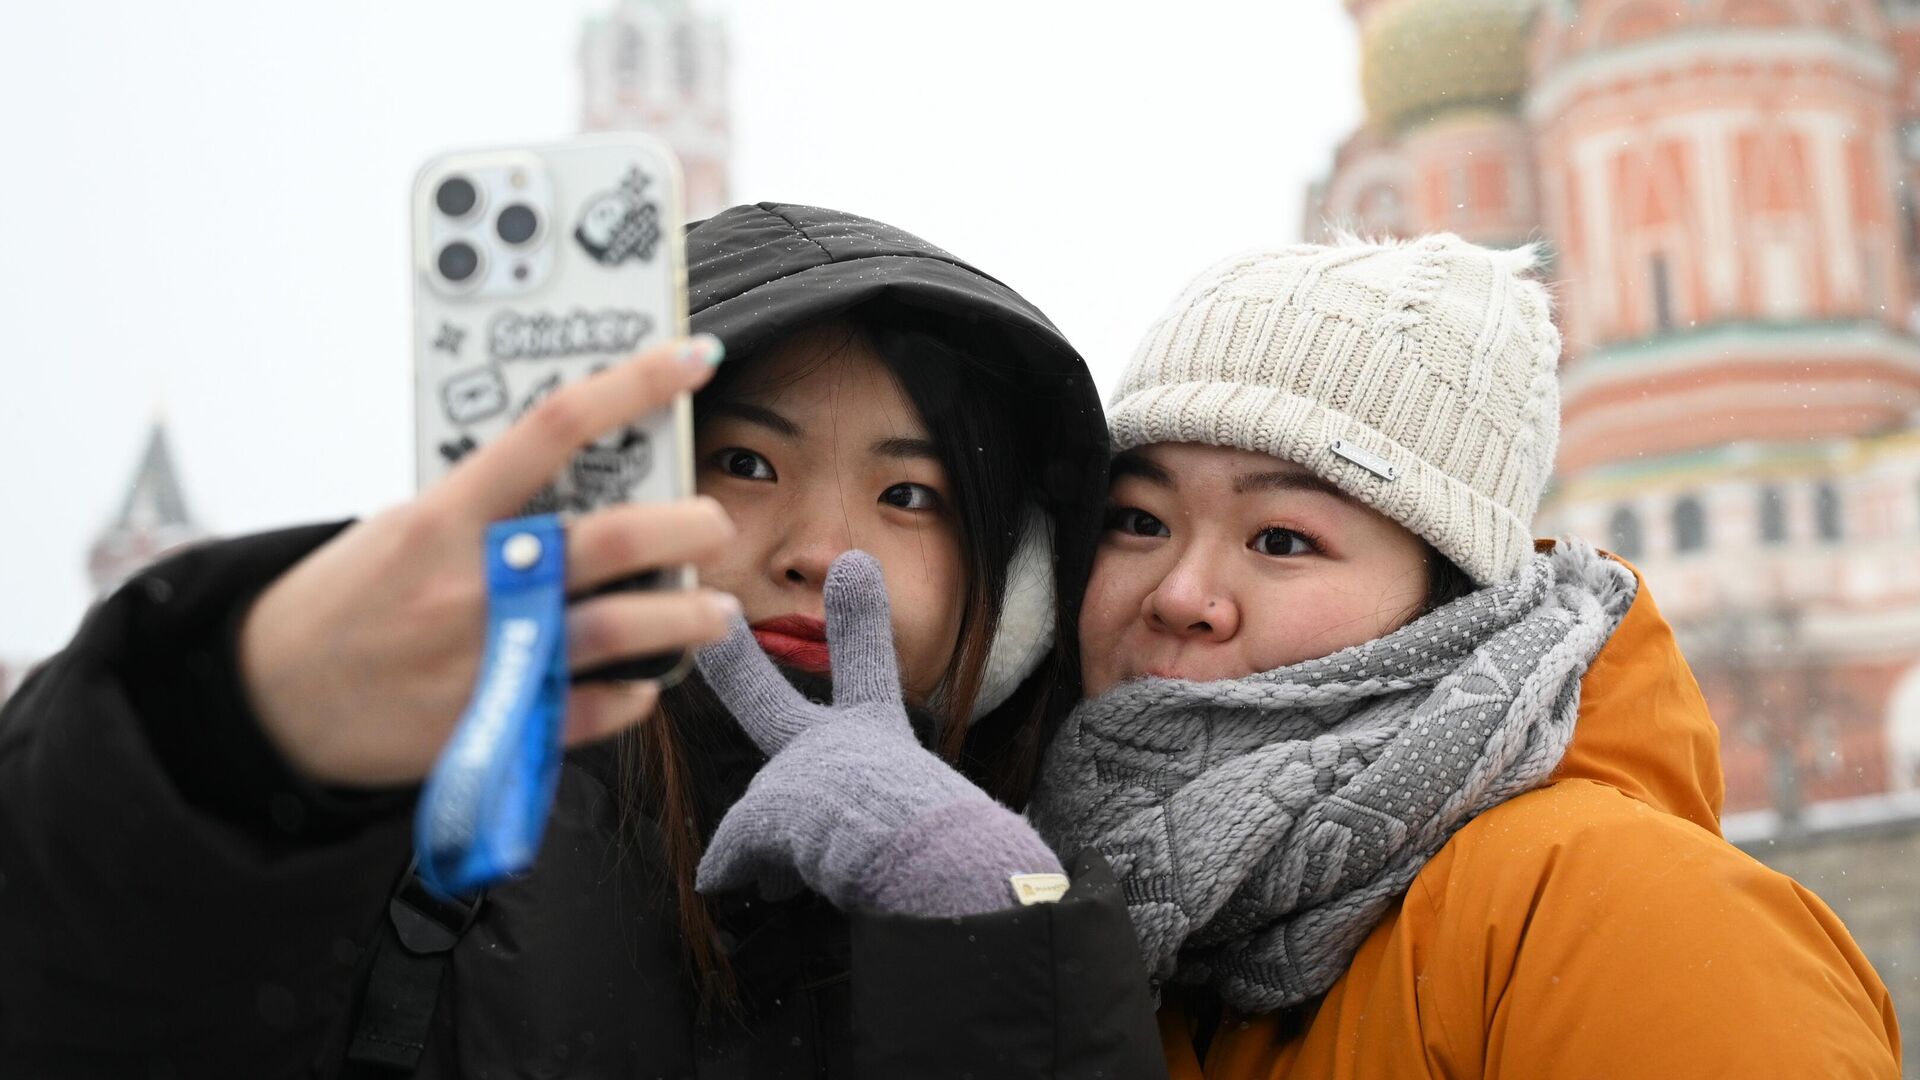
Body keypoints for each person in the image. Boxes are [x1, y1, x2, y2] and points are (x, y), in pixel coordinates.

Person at [0, 204, 1162, 1078]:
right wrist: (233, 739)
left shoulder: (1083, 889)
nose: (823, 551)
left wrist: (975, 908)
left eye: (912, 497)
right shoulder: (406, 853)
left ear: (1008, 599)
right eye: (744, 464)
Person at [1014, 234, 1903, 1077]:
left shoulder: (1624, 921)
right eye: (1138, 521)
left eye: (1282, 539)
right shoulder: (1062, 930)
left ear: (1453, 603)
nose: (1179, 594)